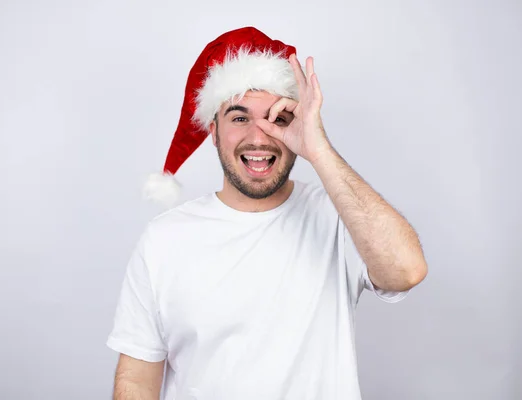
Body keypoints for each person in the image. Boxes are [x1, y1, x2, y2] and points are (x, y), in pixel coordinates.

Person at [106, 26, 428, 400]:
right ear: (213, 130)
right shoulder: (165, 239)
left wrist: (317, 146)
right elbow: (136, 379)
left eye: (277, 118)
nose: (259, 138)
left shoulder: (338, 217)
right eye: (239, 118)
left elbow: (406, 271)